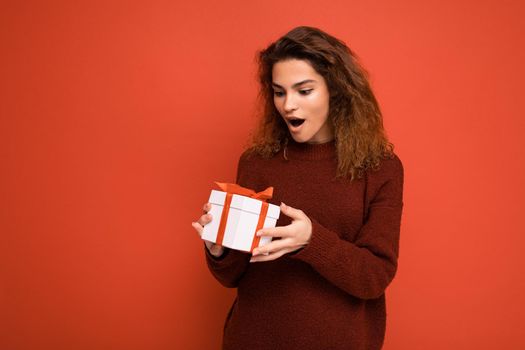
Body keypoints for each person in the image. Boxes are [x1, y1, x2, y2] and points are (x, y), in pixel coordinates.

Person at [191, 25, 404, 350]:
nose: (288, 105)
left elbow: (374, 276)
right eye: (279, 92)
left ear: (336, 90)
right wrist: (218, 249)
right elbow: (232, 276)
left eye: (304, 91)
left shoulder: (381, 169)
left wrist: (310, 240)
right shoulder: (256, 162)